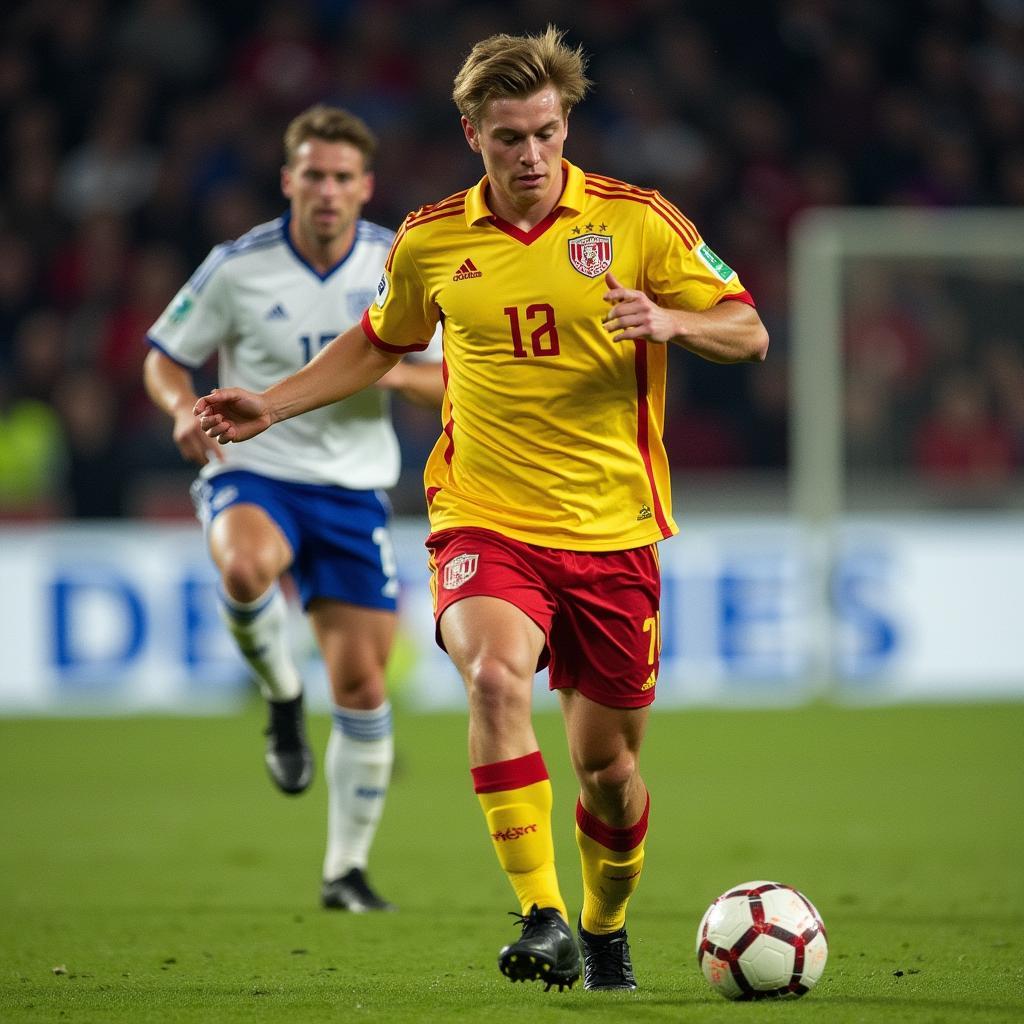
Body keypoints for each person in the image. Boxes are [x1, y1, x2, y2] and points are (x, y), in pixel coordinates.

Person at [194, 28, 768, 990]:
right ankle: (541, 913)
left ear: (566, 123)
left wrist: (673, 321)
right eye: (510, 138)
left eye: (546, 132)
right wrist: (273, 401)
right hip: (484, 519)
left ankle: (602, 923)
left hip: (614, 536)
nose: (532, 155)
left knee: (609, 776)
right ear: (473, 134)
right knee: (496, 681)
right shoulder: (431, 239)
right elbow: (381, 343)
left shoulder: (637, 221)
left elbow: (747, 328)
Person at [143, 104, 443, 913]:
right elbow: (164, 357)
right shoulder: (238, 266)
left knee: (362, 687)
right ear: (288, 181)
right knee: (243, 565)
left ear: (365, 186)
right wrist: (179, 408)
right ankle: (280, 695)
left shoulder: (398, 264)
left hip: (353, 490)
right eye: (313, 174)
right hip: (258, 470)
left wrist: (377, 369)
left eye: (343, 177)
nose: (328, 190)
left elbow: (450, 377)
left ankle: (344, 872)